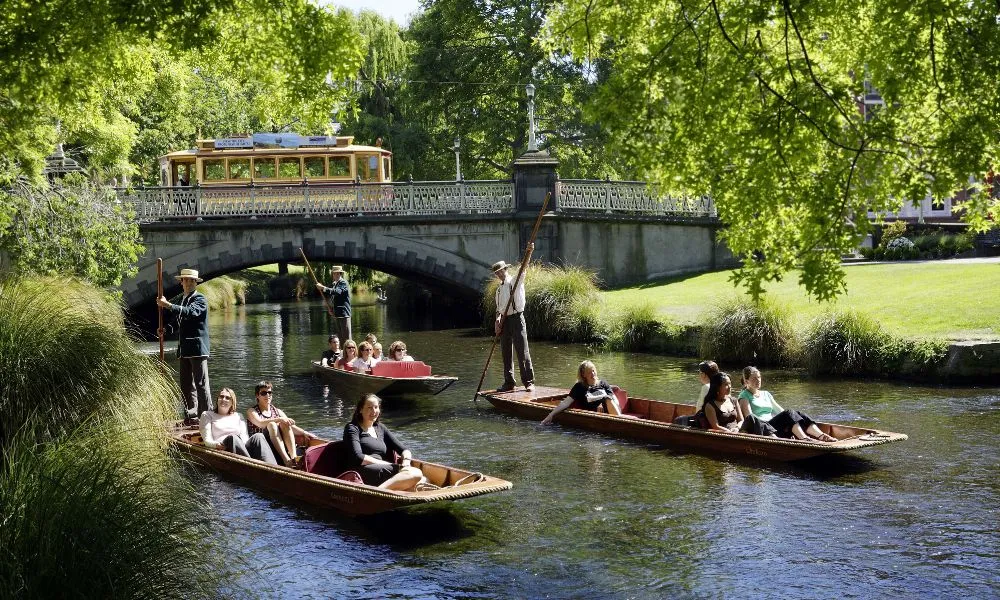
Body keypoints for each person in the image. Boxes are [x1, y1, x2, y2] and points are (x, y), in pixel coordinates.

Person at [157, 268, 210, 423]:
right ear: (181, 282)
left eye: (191, 280)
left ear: (195, 283)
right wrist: (166, 330)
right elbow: (178, 321)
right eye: (185, 280)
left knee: (201, 384)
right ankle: (191, 415)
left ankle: (206, 416)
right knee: (186, 385)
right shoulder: (182, 299)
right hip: (184, 349)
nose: (188, 283)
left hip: (197, 349)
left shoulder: (200, 299)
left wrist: (168, 305)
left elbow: (190, 312)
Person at [342, 393, 422, 490]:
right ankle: (377, 492)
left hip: (381, 469)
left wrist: (406, 462)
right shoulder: (352, 428)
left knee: (423, 480)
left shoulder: (380, 428)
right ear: (360, 410)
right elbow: (358, 457)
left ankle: (384, 491)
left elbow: (404, 450)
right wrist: (387, 464)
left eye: (376, 407)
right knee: (416, 474)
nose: (373, 411)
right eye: (369, 408)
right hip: (362, 470)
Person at [738, 367, 837, 442]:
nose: (758, 380)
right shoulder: (744, 396)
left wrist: (793, 418)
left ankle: (822, 435)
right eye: (754, 378)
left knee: (797, 414)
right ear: (746, 381)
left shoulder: (766, 394)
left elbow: (780, 411)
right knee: (789, 413)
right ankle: (804, 439)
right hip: (762, 429)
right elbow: (749, 418)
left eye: (759, 377)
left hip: (773, 426)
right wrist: (788, 415)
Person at [492, 244, 535, 392]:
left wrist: (529, 252)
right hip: (505, 322)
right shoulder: (498, 290)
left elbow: (523, 268)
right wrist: (497, 321)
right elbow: (499, 309)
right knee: (505, 352)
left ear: (505, 270)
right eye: (496, 273)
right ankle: (509, 382)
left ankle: (528, 382)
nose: (499, 274)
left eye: (500, 271)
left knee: (522, 351)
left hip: (517, 318)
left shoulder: (515, 281)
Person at [245, 381, 316, 467]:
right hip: (261, 445)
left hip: (278, 444)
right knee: (272, 424)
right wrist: (279, 419)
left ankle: (294, 458)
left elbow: (292, 427)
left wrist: (304, 432)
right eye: (263, 393)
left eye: (269, 392)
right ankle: (286, 460)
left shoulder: (277, 411)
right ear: (257, 395)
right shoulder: (252, 411)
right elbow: (260, 423)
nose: (267, 395)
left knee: (284, 423)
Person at [199, 388, 278, 465]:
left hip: (239, 451)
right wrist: (216, 445)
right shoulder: (207, 415)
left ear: (232, 402)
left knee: (258, 436)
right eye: (221, 396)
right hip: (222, 448)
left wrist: (248, 448)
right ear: (217, 399)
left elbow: (244, 437)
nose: (223, 399)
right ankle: (251, 466)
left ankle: (272, 467)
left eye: (227, 398)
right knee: (232, 437)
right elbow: (207, 440)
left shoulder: (238, 416)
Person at [541, 360, 622, 425]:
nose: (593, 374)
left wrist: (603, 402)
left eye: (593, 371)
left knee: (607, 398)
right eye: (589, 372)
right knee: (607, 398)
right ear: (584, 375)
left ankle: (621, 421)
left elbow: (615, 400)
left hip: (612, 413)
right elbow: (565, 403)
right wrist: (550, 415)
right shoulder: (579, 387)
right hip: (595, 415)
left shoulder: (603, 383)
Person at [700, 372, 775, 436]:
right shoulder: (710, 405)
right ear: (717, 387)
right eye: (726, 384)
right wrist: (730, 432)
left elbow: (741, 420)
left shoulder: (734, 400)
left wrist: (737, 428)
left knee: (751, 418)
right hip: (726, 435)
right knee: (752, 419)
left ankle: (773, 437)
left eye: (730, 384)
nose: (729, 387)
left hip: (739, 431)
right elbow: (715, 426)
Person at [315, 266, 351, 345]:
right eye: (335, 273)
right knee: (340, 337)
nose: (336, 275)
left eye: (338, 273)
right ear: (333, 274)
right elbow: (333, 298)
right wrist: (331, 309)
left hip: (344, 313)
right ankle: (342, 351)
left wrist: (323, 288)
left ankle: (349, 351)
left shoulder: (343, 283)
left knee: (346, 337)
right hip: (337, 313)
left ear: (340, 274)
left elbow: (337, 292)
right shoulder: (334, 284)